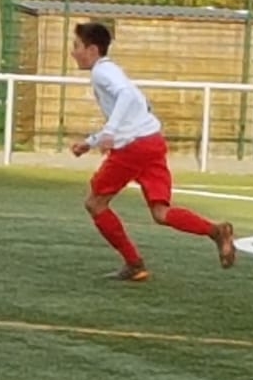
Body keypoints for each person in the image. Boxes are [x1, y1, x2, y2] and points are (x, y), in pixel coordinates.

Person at [70, 22, 236, 281]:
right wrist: (91, 141)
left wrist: (110, 132)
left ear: (92, 49)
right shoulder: (112, 70)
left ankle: (134, 264)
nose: (73, 52)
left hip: (133, 148)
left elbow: (127, 97)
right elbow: (137, 105)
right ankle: (216, 231)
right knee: (161, 213)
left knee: (95, 203)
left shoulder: (102, 72)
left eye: (76, 46)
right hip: (152, 141)